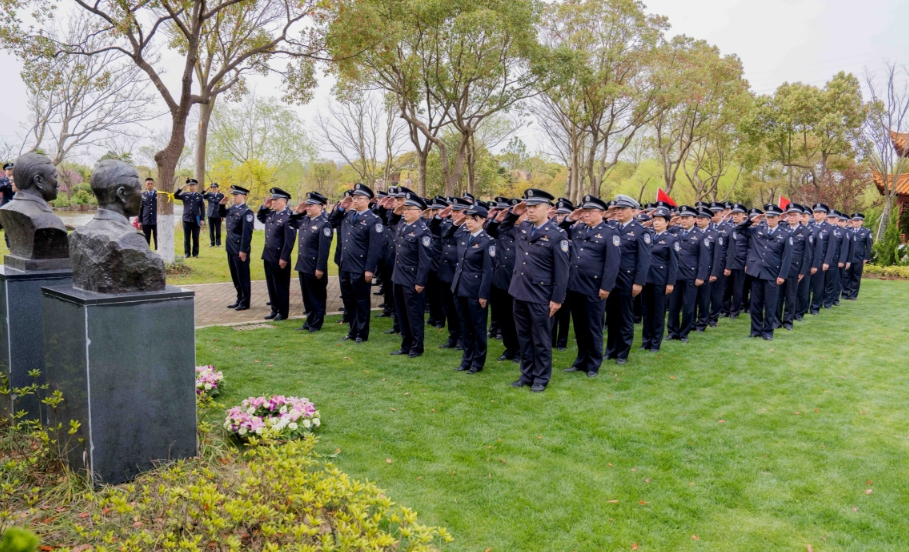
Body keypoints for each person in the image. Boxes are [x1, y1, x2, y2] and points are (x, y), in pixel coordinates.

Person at [500, 189, 569, 392]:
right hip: (520, 292)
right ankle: (526, 374)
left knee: (541, 339)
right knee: (524, 337)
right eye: (528, 207)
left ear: (548, 209)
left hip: (541, 295)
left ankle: (541, 377)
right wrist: (514, 212)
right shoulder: (524, 228)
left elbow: (562, 271)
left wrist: (557, 299)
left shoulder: (557, 235)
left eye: (535, 207)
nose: (530, 210)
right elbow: (503, 227)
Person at [560, 195, 620, 377]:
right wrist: (571, 218)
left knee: (593, 326)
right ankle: (581, 360)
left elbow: (612, 263)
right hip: (576, 285)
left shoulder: (610, 233)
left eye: (589, 212)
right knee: (579, 326)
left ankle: (593, 363)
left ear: (600, 213)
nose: (585, 215)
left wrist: (606, 287)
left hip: (594, 287)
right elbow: (559, 230)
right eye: (584, 211)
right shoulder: (578, 229)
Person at [329, 183, 384, 343]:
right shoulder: (347, 215)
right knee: (349, 301)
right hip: (345, 265)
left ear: (368, 201)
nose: (355, 201)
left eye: (359, 198)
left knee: (361, 301)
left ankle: (362, 333)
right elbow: (331, 222)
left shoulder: (374, 220)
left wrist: (369, 269)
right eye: (354, 198)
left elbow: (375, 248)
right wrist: (341, 207)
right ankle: (352, 331)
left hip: (360, 268)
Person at [447, 203, 494, 373]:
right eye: (467, 218)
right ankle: (466, 359)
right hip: (459, 288)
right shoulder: (464, 236)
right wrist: (456, 222)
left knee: (478, 327)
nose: (469, 222)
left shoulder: (488, 242)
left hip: (475, 291)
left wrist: (483, 295)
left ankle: (478, 362)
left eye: (473, 219)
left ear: (483, 220)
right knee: (465, 326)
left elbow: (488, 271)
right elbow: (446, 236)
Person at [735, 204, 792, 340]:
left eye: (773, 217)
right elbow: (738, 229)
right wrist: (751, 220)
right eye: (768, 217)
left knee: (770, 304)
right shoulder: (757, 230)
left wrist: (782, 275)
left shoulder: (785, 234)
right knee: (756, 304)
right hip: (756, 273)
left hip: (772, 274)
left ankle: (767, 332)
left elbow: (787, 257)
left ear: (779, 218)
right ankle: (755, 330)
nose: (770, 220)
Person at [390, 192, 432, 358]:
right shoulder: (403, 225)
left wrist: (420, 282)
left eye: (409, 209)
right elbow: (391, 221)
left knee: (414, 314)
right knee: (401, 313)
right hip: (398, 276)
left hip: (412, 279)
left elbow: (425, 260)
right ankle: (405, 345)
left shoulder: (422, 231)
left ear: (419, 212)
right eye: (404, 209)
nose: (405, 211)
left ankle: (416, 347)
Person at [485, 198, 522, 364]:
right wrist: (497, 219)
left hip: (519, 282)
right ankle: (510, 348)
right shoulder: (503, 229)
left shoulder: (528, 231)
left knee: (519, 319)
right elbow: (489, 230)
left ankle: (521, 350)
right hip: (501, 280)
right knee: (505, 318)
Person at [290, 191, 333, 332]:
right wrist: (297, 211)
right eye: (307, 205)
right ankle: (309, 321)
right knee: (307, 297)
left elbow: (323, 250)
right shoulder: (305, 220)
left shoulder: (324, 224)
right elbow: (290, 222)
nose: (307, 208)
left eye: (311, 205)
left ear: (320, 207)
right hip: (303, 264)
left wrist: (320, 268)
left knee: (316, 297)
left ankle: (316, 323)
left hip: (314, 266)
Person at [667, 205, 707, 343]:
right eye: (682, 218)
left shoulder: (701, 236)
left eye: (686, 218)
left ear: (694, 219)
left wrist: (701, 276)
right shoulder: (675, 233)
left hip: (691, 276)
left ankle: (684, 333)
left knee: (688, 306)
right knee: (673, 305)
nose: (683, 221)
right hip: (675, 275)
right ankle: (672, 331)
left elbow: (704, 258)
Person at [641, 207, 678, 352]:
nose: (656, 223)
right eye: (655, 220)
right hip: (646, 279)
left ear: (667, 223)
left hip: (660, 280)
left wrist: (670, 283)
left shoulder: (671, 239)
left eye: (660, 221)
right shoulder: (648, 235)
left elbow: (674, 263)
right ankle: (646, 341)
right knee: (646, 311)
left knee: (658, 312)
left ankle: (655, 343)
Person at [257, 187, 296, 321]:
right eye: (272, 200)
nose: (273, 202)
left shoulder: (289, 217)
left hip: (279, 257)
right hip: (268, 255)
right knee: (271, 284)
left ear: (284, 201)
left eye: (276, 200)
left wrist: (284, 257)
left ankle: (283, 312)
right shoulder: (271, 214)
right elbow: (260, 217)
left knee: (281, 285)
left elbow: (289, 241)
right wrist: (264, 206)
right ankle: (274, 309)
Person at [776, 204, 811, 330]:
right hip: (780, 268)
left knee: (791, 296)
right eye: (789, 215)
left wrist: (803, 271)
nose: (791, 218)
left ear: (800, 217)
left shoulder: (806, 232)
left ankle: (788, 321)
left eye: (794, 215)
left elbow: (807, 254)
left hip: (794, 269)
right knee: (778, 295)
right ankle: (776, 321)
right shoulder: (781, 228)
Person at [223, 186, 254, 311]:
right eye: (233, 195)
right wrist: (221, 205)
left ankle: (245, 301)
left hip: (239, 248)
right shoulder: (231, 209)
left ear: (244, 196)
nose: (234, 197)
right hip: (230, 246)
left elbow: (247, 234)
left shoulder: (247, 212)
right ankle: (239, 298)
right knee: (235, 275)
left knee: (243, 276)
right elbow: (218, 214)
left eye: (237, 195)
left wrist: (243, 250)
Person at [550, 197, 575, 350]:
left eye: (563, 215)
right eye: (558, 215)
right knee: (551, 310)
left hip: (567, 275)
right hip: (551, 274)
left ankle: (562, 341)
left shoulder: (573, 231)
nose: (560, 218)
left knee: (564, 311)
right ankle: (551, 339)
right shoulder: (551, 230)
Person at [723, 203, 748, 318]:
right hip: (728, 261)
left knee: (738, 288)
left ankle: (734, 311)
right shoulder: (728, 228)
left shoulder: (747, 229)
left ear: (743, 215)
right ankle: (725, 309)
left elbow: (750, 248)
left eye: (737, 214)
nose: (735, 216)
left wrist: (747, 263)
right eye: (733, 214)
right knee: (726, 287)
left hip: (740, 262)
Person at [843, 213, 872, 300]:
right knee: (846, 275)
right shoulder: (848, 230)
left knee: (856, 276)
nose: (855, 222)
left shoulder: (866, 231)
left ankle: (853, 295)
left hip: (859, 257)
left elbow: (869, 246)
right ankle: (844, 293)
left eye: (857, 221)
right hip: (848, 257)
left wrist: (866, 257)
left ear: (861, 221)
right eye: (854, 221)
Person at [173, 178, 205, 258]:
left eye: (193, 185)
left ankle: (195, 253)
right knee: (186, 237)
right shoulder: (185, 194)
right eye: (190, 186)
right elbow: (175, 196)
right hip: (186, 219)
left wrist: (202, 219)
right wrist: (180, 189)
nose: (192, 187)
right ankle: (187, 253)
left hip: (196, 219)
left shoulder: (200, 196)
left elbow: (202, 208)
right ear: (188, 187)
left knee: (195, 237)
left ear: (196, 186)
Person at [137, 177, 158, 249]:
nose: (150, 185)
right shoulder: (142, 195)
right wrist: (139, 221)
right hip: (146, 220)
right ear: (145, 185)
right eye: (148, 184)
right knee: (146, 238)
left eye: (151, 184)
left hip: (156, 220)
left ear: (154, 184)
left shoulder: (158, 194)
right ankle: (147, 252)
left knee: (157, 237)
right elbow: (140, 209)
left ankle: (158, 250)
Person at [203, 183, 225, 247]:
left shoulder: (221, 195)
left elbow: (223, 205)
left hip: (218, 214)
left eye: (215, 187)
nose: (214, 189)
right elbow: (200, 195)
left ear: (217, 188)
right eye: (212, 188)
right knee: (211, 229)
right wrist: (205, 190)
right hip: (210, 214)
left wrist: (223, 215)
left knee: (218, 229)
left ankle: (218, 243)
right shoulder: (209, 194)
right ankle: (212, 242)